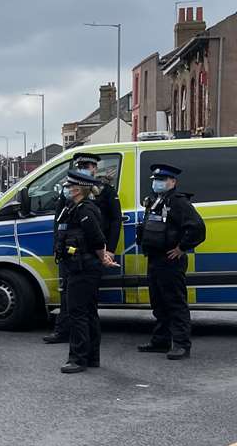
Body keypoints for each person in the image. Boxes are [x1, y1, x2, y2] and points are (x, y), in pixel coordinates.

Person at [43, 153, 121, 344]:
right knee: (66, 293)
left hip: (90, 252)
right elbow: (59, 220)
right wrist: (57, 245)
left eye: (87, 165)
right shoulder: (68, 194)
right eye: (80, 166)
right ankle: (63, 330)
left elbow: (114, 220)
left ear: (95, 168)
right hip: (70, 252)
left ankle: (84, 346)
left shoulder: (105, 191)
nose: (84, 168)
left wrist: (108, 249)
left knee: (85, 302)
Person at [138, 162, 206, 360]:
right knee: (158, 302)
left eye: (162, 180)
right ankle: (161, 340)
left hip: (170, 261)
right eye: (155, 180)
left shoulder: (178, 202)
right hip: (155, 259)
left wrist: (182, 248)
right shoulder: (155, 200)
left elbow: (197, 228)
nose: (157, 183)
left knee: (175, 303)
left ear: (173, 182)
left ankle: (181, 344)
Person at [56, 168, 111, 374]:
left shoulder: (85, 210)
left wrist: (102, 257)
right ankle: (91, 357)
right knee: (87, 312)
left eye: (69, 186)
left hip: (84, 268)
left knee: (78, 313)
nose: (67, 189)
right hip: (80, 266)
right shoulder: (74, 208)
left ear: (78, 189)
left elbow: (97, 239)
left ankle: (78, 359)